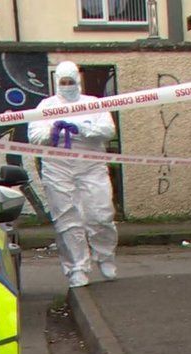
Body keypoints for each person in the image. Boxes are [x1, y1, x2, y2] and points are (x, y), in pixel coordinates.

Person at [28, 61, 118, 288]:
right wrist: (52, 131)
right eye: (63, 82)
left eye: (71, 82)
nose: (67, 86)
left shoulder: (93, 104)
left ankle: (105, 256)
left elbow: (108, 131)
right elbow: (34, 136)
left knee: (101, 215)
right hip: (58, 169)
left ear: (78, 81)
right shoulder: (45, 106)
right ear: (57, 82)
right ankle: (77, 268)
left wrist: (83, 130)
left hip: (92, 168)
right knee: (67, 221)